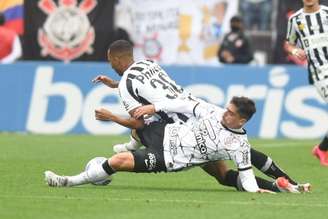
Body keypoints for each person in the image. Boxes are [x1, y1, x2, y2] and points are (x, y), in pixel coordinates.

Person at [92, 39, 309, 192]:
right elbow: (152, 88)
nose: (110, 65)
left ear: (117, 60)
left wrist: (112, 116)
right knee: (234, 164)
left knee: (142, 127)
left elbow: (137, 120)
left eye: (110, 61)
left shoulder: (128, 84)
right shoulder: (148, 63)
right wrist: (116, 84)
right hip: (195, 109)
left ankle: (128, 148)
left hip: (185, 129)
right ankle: (288, 184)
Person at [45, 96, 303, 193]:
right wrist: (154, 106)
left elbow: (246, 175)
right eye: (227, 109)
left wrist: (261, 190)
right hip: (166, 133)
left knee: (116, 162)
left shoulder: (239, 145)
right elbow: (181, 104)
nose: (225, 113)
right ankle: (130, 145)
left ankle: (68, 181)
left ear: (242, 120)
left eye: (231, 113)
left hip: (169, 159)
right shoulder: (212, 111)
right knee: (142, 120)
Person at [284, 0, 328, 166]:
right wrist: (295, 50)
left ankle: (322, 148)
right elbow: (289, 43)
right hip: (320, 72)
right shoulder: (295, 19)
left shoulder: (326, 13)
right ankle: (322, 149)